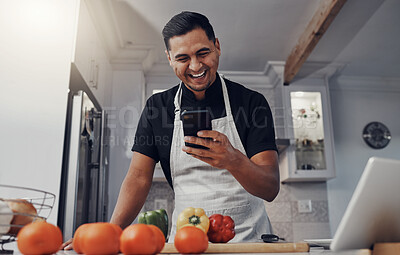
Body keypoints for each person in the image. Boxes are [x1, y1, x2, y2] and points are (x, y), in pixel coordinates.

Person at [63, 11, 279, 248]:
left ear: (217, 46)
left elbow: (270, 188)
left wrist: (233, 160)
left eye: (203, 53)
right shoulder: (158, 108)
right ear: (169, 58)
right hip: (187, 243)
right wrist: (112, 231)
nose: (196, 66)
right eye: (183, 57)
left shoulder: (251, 103)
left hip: (248, 243)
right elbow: (138, 177)